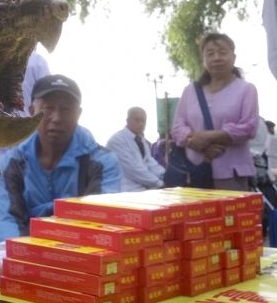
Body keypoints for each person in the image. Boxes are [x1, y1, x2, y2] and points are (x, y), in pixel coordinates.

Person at [0, 74, 121, 241]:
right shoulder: (11, 163)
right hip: (27, 258)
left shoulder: (103, 162)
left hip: (83, 256)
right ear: (32, 111)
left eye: (66, 109)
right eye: (48, 108)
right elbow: (6, 226)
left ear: (78, 114)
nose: (57, 118)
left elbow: (99, 223)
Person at [171, 32, 259, 191]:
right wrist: (193, 142)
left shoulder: (246, 89)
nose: (216, 58)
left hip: (231, 175)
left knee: (231, 216)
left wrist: (208, 137)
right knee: (196, 215)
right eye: (210, 53)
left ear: (234, 57)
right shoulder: (190, 91)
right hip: (193, 173)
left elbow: (249, 127)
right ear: (204, 59)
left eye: (222, 53)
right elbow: (177, 127)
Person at [106, 107, 165, 192]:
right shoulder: (117, 140)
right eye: (137, 120)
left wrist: (165, 176)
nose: (141, 124)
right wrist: (159, 183)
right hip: (122, 190)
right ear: (127, 120)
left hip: (140, 189)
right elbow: (133, 169)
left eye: (143, 121)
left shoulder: (142, 140)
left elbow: (149, 162)